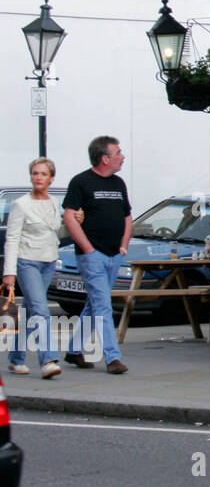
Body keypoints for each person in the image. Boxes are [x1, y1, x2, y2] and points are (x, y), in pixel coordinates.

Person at [62, 136, 132, 375]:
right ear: (105, 158)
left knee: (94, 304)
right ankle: (112, 358)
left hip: (114, 255)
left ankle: (74, 350)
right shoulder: (81, 182)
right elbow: (70, 217)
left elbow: (127, 217)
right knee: (103, 305)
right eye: (118, 153)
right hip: (92, 255)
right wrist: (88, 249)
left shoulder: (119, 183)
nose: (123, 157)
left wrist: (123, 246)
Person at [3, 158, 64, 378]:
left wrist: (78, 219)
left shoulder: (55, 203)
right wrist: (9, 272)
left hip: (48, 262)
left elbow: (55, 232)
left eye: (43, 174)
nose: (38, 177)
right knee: (41, 310)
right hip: (27, 261)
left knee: (30, 311)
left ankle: (16, 358)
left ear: (51, 178)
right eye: (35, 173)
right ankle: (47, 360)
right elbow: (12, 238)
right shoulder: (21, 204)